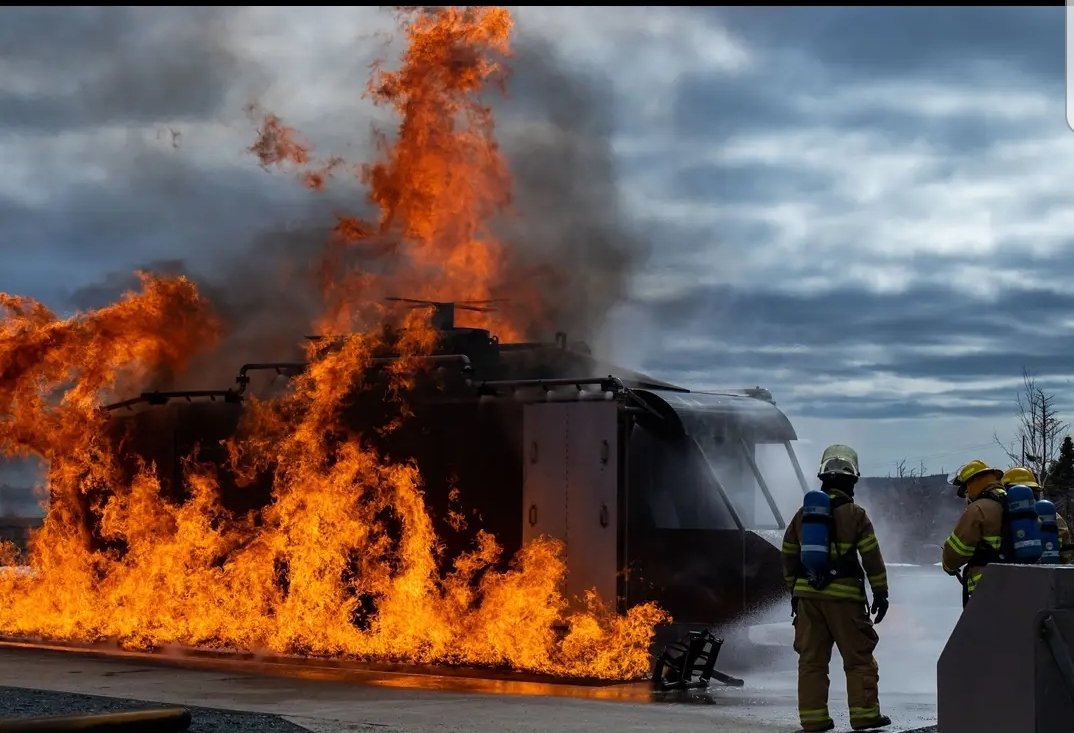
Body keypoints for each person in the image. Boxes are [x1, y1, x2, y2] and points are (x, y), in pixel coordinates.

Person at [781, 444, 891, 732]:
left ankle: (814, 720)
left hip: (807, 599)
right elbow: (872, 558)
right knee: (858, 659)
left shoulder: (802, 514)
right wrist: (881, 592)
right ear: (852, 481)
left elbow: (788, 554)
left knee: (812, 662)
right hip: (845, 601)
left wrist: (794, 590)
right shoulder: (856, 515)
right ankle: (864, 715)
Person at [941, 459, 1006, 606]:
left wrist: (948, 565)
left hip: (988, 588)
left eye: (966, 491)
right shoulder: (1013, 502)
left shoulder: (978, 509)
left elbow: (954, 554)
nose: (966, 496)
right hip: (1025, 585)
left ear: (972, 484)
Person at [1002, 466, 1074, 564]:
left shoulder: (1005, 514)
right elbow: (1066, 549)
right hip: (1049, 572)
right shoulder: (1053, 516)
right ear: (1035, 490)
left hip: (1015, 570)